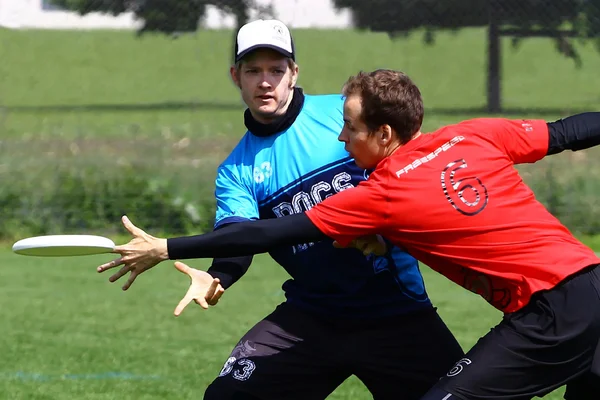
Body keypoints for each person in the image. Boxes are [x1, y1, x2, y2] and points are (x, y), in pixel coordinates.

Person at [102, 68, 600, 399]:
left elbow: (267, 234)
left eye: (351, 128)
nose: (341, 138)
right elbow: (570, 132)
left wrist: (166, 247)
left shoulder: (383, 193)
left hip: (551, 311)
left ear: (384, 134)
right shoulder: (472, 134)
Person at [97, 21, 464, 400]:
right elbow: (241, 237)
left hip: (395, 311)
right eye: (253, 70)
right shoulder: (236, 170)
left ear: (294, 74)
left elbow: (409, 165)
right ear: (235, 76)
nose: (265, 81)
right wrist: (218, 274)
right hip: (311, 317)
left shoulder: (345, 118)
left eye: (276, 69)